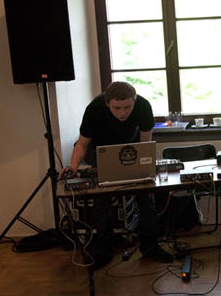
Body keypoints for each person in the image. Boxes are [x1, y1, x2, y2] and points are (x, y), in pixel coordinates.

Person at [59, 81, 173, 267]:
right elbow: (82, 143)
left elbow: (145, 145)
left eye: (128, 107)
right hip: (100, 153)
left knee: (146, 198)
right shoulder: (94, 108)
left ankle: (150, 247)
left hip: (132, 150)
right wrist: (73, 166)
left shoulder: (143, 106)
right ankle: (103, 250)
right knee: (101, 201)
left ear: (134, 101)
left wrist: (146, 169)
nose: (123, 113)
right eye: (117, 108)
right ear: (107, 103)